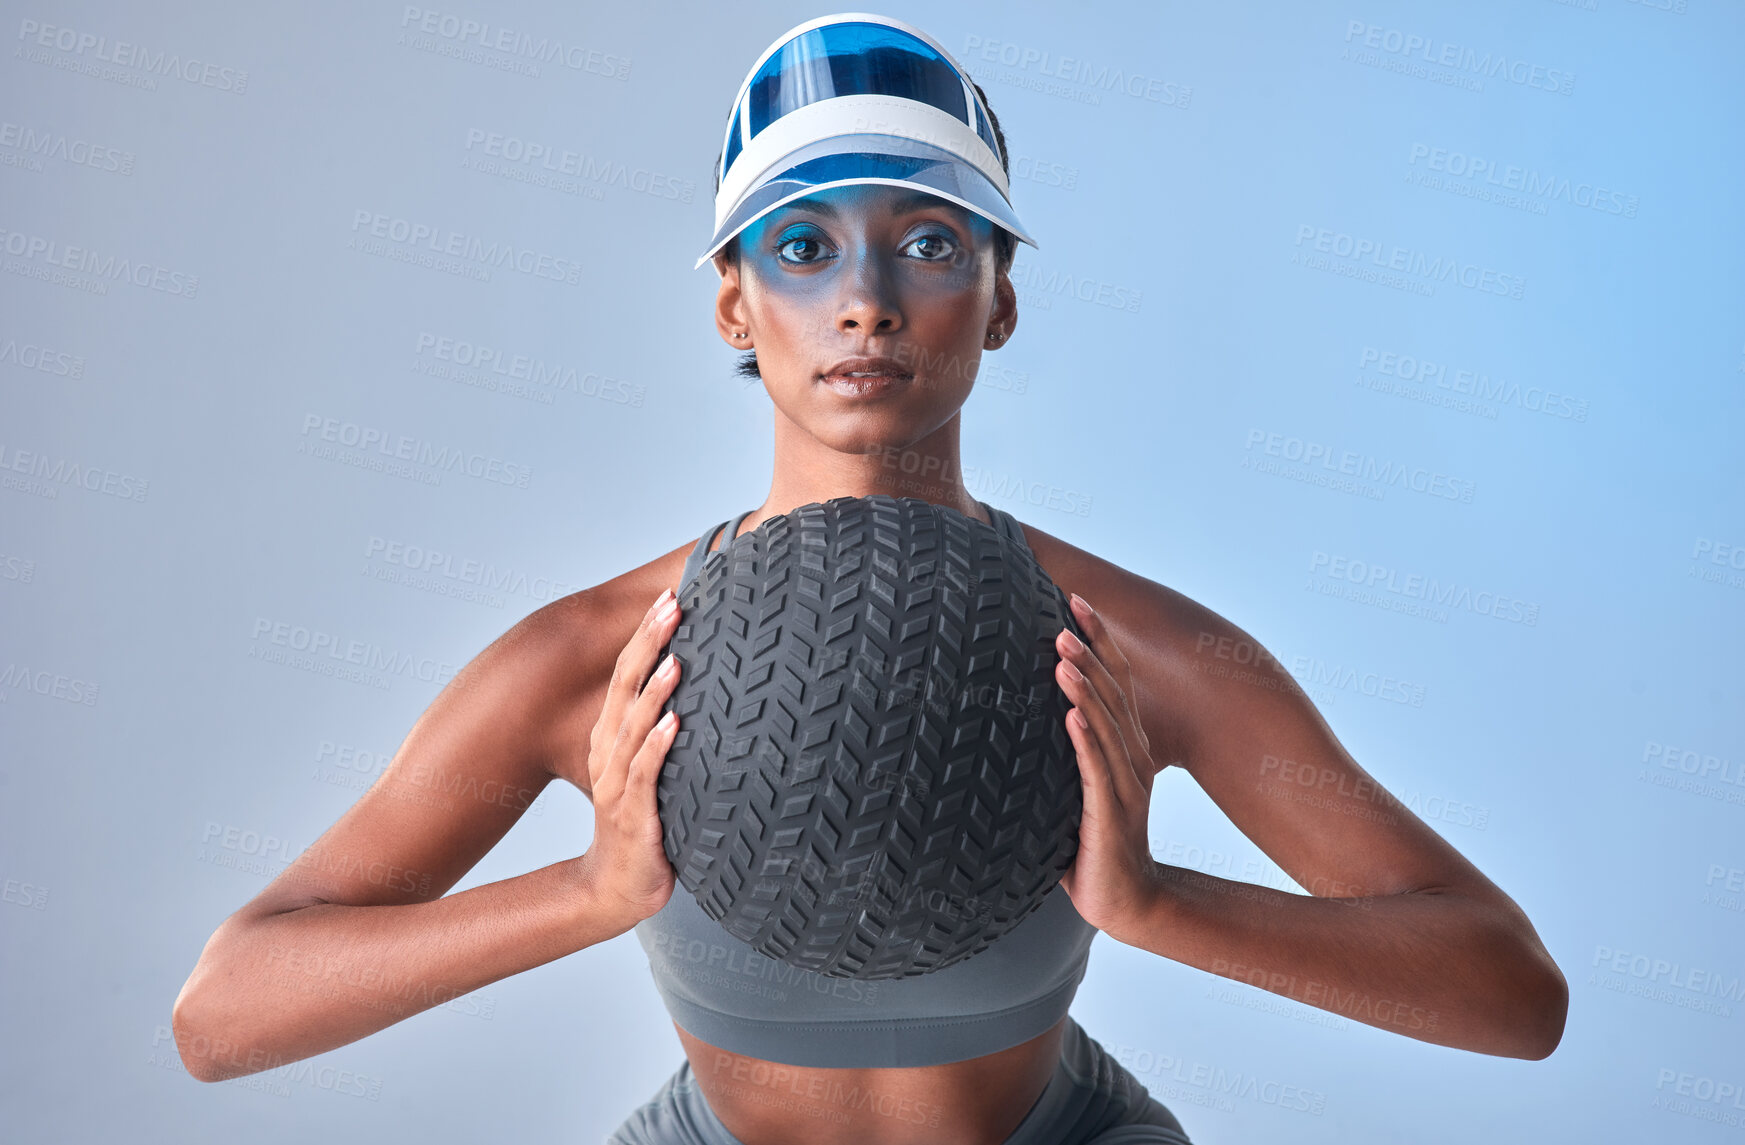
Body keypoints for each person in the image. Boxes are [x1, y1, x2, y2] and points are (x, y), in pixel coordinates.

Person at [171, 13, 1568, 1145]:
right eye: (800, 245)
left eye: (929, 241)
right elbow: (223, 1013)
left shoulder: (1136, 647)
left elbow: (1509, 992)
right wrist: (586, 890)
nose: (866, 300)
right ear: (732, 301)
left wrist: (1157, 903)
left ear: (999, 299)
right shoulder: (603, 657)